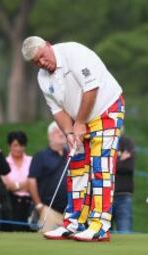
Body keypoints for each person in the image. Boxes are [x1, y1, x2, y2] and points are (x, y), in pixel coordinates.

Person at [22, 36, 125, 242]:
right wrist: (69, 133)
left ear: (48, 47)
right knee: (76, 167)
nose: (42, 63)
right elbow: (57, 110)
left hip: (107, 110)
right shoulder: (43, 78)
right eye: (36, 62)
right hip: (79, 119)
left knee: (100, 167)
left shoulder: (74, 53)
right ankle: (73, 223)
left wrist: (79, 123)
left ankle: (99, 226)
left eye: (42, 56)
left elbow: (91, 89)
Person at [27, 122, 68, 233]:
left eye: (62, 131)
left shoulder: (71, 155)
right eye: (56, 131)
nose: (61, 134)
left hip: (69, 212)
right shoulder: (40, 156)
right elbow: (31, 181)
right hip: (48, 210)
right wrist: (39, 206)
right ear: (49, 136)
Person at [1, 131, 32, 231]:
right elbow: (8, 186)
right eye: (15, 145)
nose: (19, 148)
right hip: (11, 204)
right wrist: (26, 184)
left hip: (29, 203)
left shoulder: (31, 161)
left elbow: (34, 183)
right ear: (9, 146)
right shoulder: (4, 163)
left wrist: (17, 185)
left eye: (22, 145)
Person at [112, 128, 136, 233]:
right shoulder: (101, 142)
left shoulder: (128, 143)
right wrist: (120, 158)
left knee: (125, 232)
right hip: (102, 197)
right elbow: (101, 168)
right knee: (101, 234)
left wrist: (112, 160)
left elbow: (128, 167)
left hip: (123, 196)